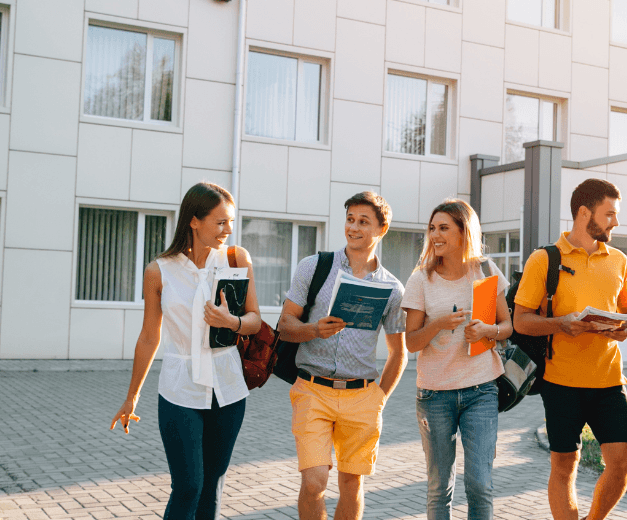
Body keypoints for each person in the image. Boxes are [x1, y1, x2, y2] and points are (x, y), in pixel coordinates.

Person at [110, 182, 264, 520]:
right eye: (220, 222)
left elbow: (255, 321)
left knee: (212, 487)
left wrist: (232, 321)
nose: (228, 230)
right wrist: (132, 395)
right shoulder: (159, 271)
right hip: (179, 390)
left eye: (231, 222)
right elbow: (150, 335)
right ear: (194, 221)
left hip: (228, 390)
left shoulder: (237, 259)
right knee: (188, 485)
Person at [512, 178, 627, 520]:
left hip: (609, 381)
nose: (615, 221)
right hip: (561, 381)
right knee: (565, 464)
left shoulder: (619, 261)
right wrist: (561, 323)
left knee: (622, 462)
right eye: (609, 213)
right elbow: (521, 321)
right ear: (585, 212)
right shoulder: (543, 259)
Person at [277, 191, 407, 520]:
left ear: (382, 228)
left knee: (351, 484)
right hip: (312, 389)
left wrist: (379, 398)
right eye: (350, 219)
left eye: (363, 222)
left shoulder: (392, 288)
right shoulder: (314, 267)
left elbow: (398, 352)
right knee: (314, 482)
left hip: (362, 395)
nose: (353, 227)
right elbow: (285, 325)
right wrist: (313, 331)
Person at [403, 199, 513, 520]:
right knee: (440, 487)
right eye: (432, 228)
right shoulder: (421, 279)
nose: (435, 235)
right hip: (435, 394)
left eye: (444, 228)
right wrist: (438, 324)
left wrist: (487, 330)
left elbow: (507, 326)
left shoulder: (486, 271)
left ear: (464, 231)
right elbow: (410, 342)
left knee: (479, 483)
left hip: (481, 390)